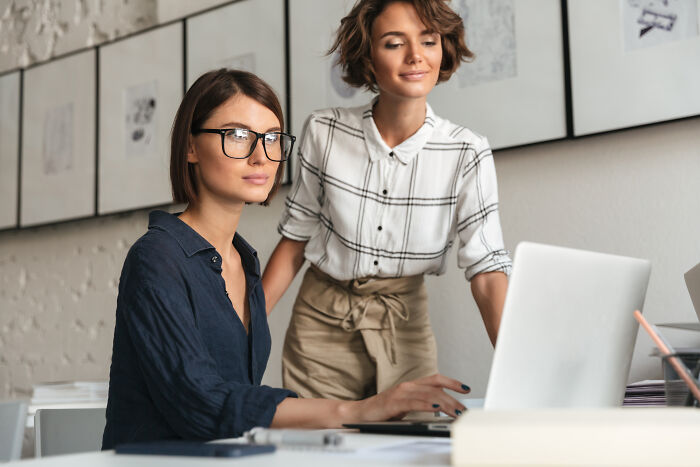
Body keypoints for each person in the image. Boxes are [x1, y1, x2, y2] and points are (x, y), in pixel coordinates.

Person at [101, 69, 469, 449]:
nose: (261, 156)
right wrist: (355, 410)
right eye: (238, 135)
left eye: (272, 138)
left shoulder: (243, 261)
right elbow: (201, 402)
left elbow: (234, 404)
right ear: (191, 147)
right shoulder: (156, 258)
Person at [263, 0, 511, 401]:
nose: (416, 56)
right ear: (368, 56)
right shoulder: (324, 131)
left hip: (404, 325)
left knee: (409, 452)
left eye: (429, 41)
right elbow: (295, 239)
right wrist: (239, 330)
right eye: (395, 43)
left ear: (443, 48)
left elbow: (486, 269)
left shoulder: (467, 151)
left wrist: (519, 366)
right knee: (323, 453)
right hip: (319, 327)